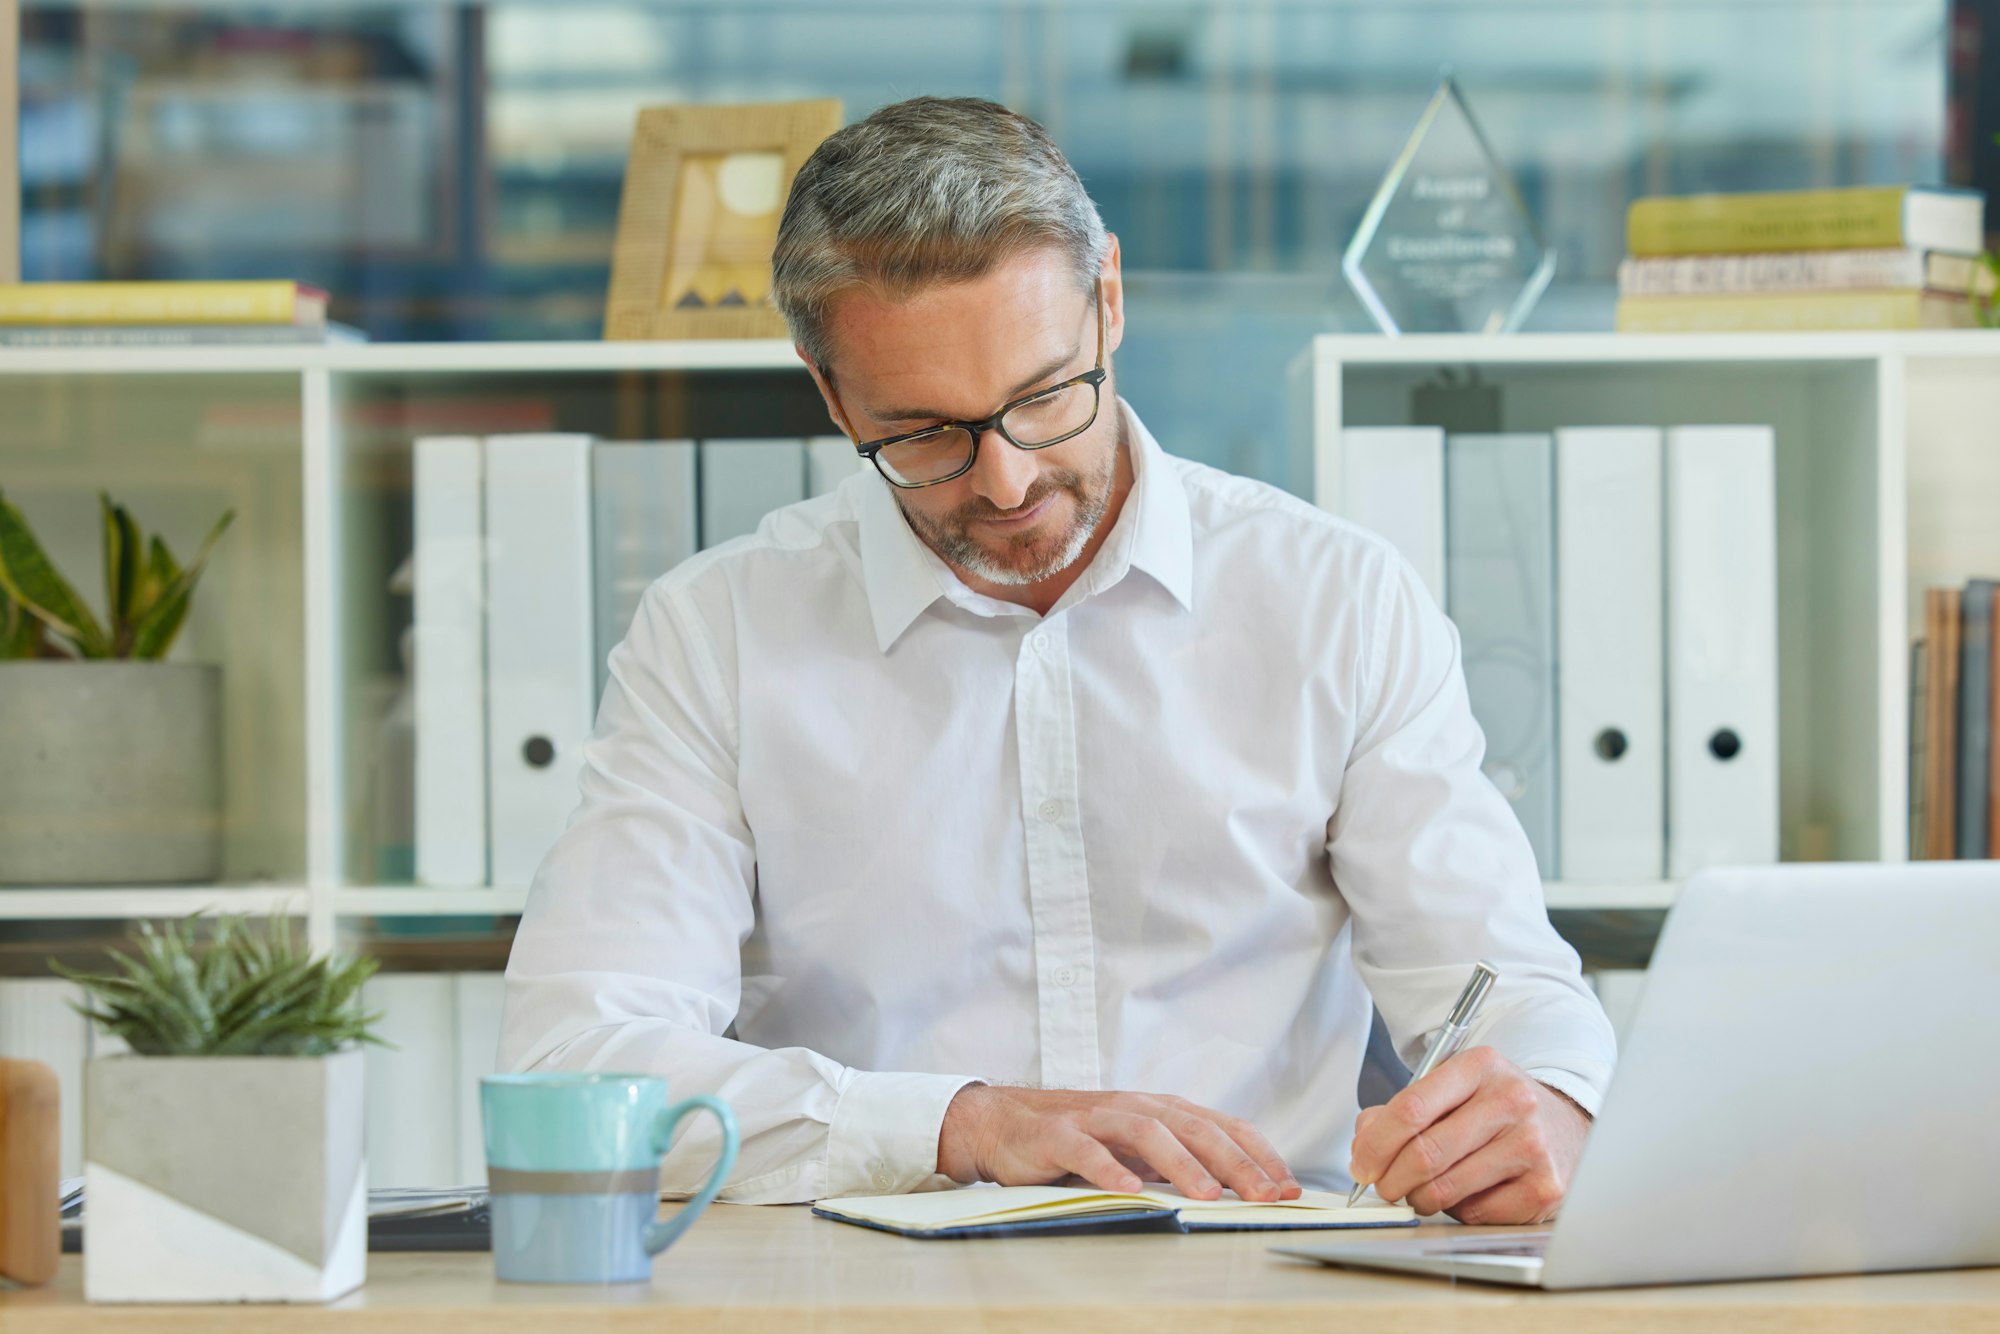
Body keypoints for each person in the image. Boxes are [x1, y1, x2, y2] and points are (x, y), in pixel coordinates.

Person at [498, 95, 1614, 1225]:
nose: (1004, 482)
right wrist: (964, 1124)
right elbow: (573, 1061)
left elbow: (1505, 988)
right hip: (869, 1294)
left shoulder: (1335, 600)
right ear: (829, 391)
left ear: (1109, 300)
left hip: (1262, 1279)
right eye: (923, 432)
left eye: (1041, 398)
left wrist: (1553, 1104)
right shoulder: (716, 635)